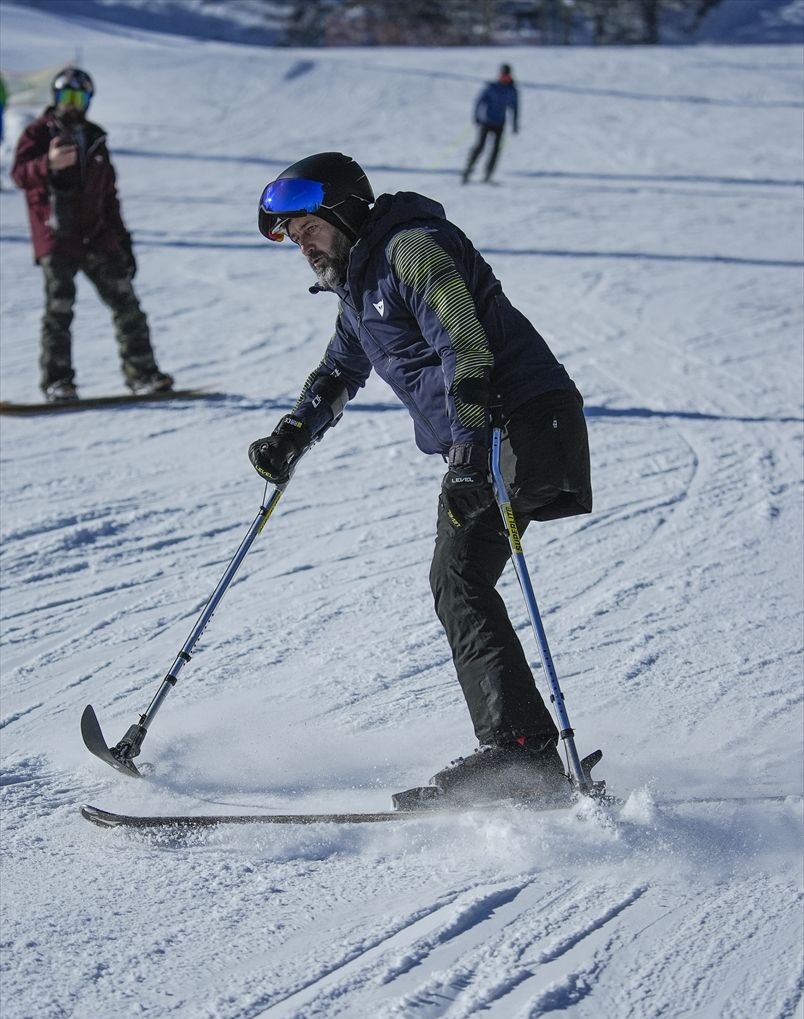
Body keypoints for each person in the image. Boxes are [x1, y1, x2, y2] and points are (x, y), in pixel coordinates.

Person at [249, 153, 592, 805]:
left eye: (307, 228)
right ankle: (526, 753)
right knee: (455, 578)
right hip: (489, 436)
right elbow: (337, 373)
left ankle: (524, 755)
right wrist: (293, 434)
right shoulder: (359, 289)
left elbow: (466, 345)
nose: (301, 245)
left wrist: (467, 453)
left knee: (459, 574)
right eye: (290, 237)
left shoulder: (413, 248)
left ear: (343, 210)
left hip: (521, 422)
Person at [11, 66, 172, 403]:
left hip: (97, 236)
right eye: (66, 96)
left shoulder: (96, 138)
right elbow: (20, 174)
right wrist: (48, 163)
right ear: (55, 98)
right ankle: (58, 383)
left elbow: (109, 196)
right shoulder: (38, 134)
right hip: (56, 237)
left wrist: (123, 242)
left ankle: (143, 375)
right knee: (60, 310)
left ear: (88, 100)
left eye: (79, 97)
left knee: (127, 305)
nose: (72, 104)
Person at [462, 63, 519, 185]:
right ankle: (467, 172)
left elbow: (515, 107)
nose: (505, 78)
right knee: (480, 147)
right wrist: (477, 116)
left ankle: (488, 174)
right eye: (503, 75)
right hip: (486, 121)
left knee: (495, 150)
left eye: (507, 76)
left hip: (500, 123)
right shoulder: (491, 87)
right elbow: (479, 101)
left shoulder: (512, 90)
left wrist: (515, 124)